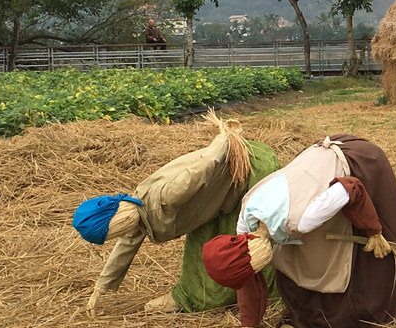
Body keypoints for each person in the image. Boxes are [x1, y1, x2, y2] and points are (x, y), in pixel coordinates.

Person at [202, 135, 396, 328]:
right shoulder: (246, 221)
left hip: (357, 164)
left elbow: (351, 187)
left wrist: (373, 230)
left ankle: (382, 309)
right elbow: (249, 279)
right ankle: (308, 317)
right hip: (312, 176)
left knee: (364, 258)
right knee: (294, 256)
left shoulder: (303, 218)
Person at [72, 112, 279, 314]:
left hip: (242, 178)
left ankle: (266, 299)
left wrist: (227, 137)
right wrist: (102, 287)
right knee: (200, 251)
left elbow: (204, 166)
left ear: (118, 220)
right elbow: (126, 244)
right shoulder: (135, 210)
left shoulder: (167, 197)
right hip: (210, 205)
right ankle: (191, 297)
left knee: (245, 248)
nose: (117, 236)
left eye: (112, 233)